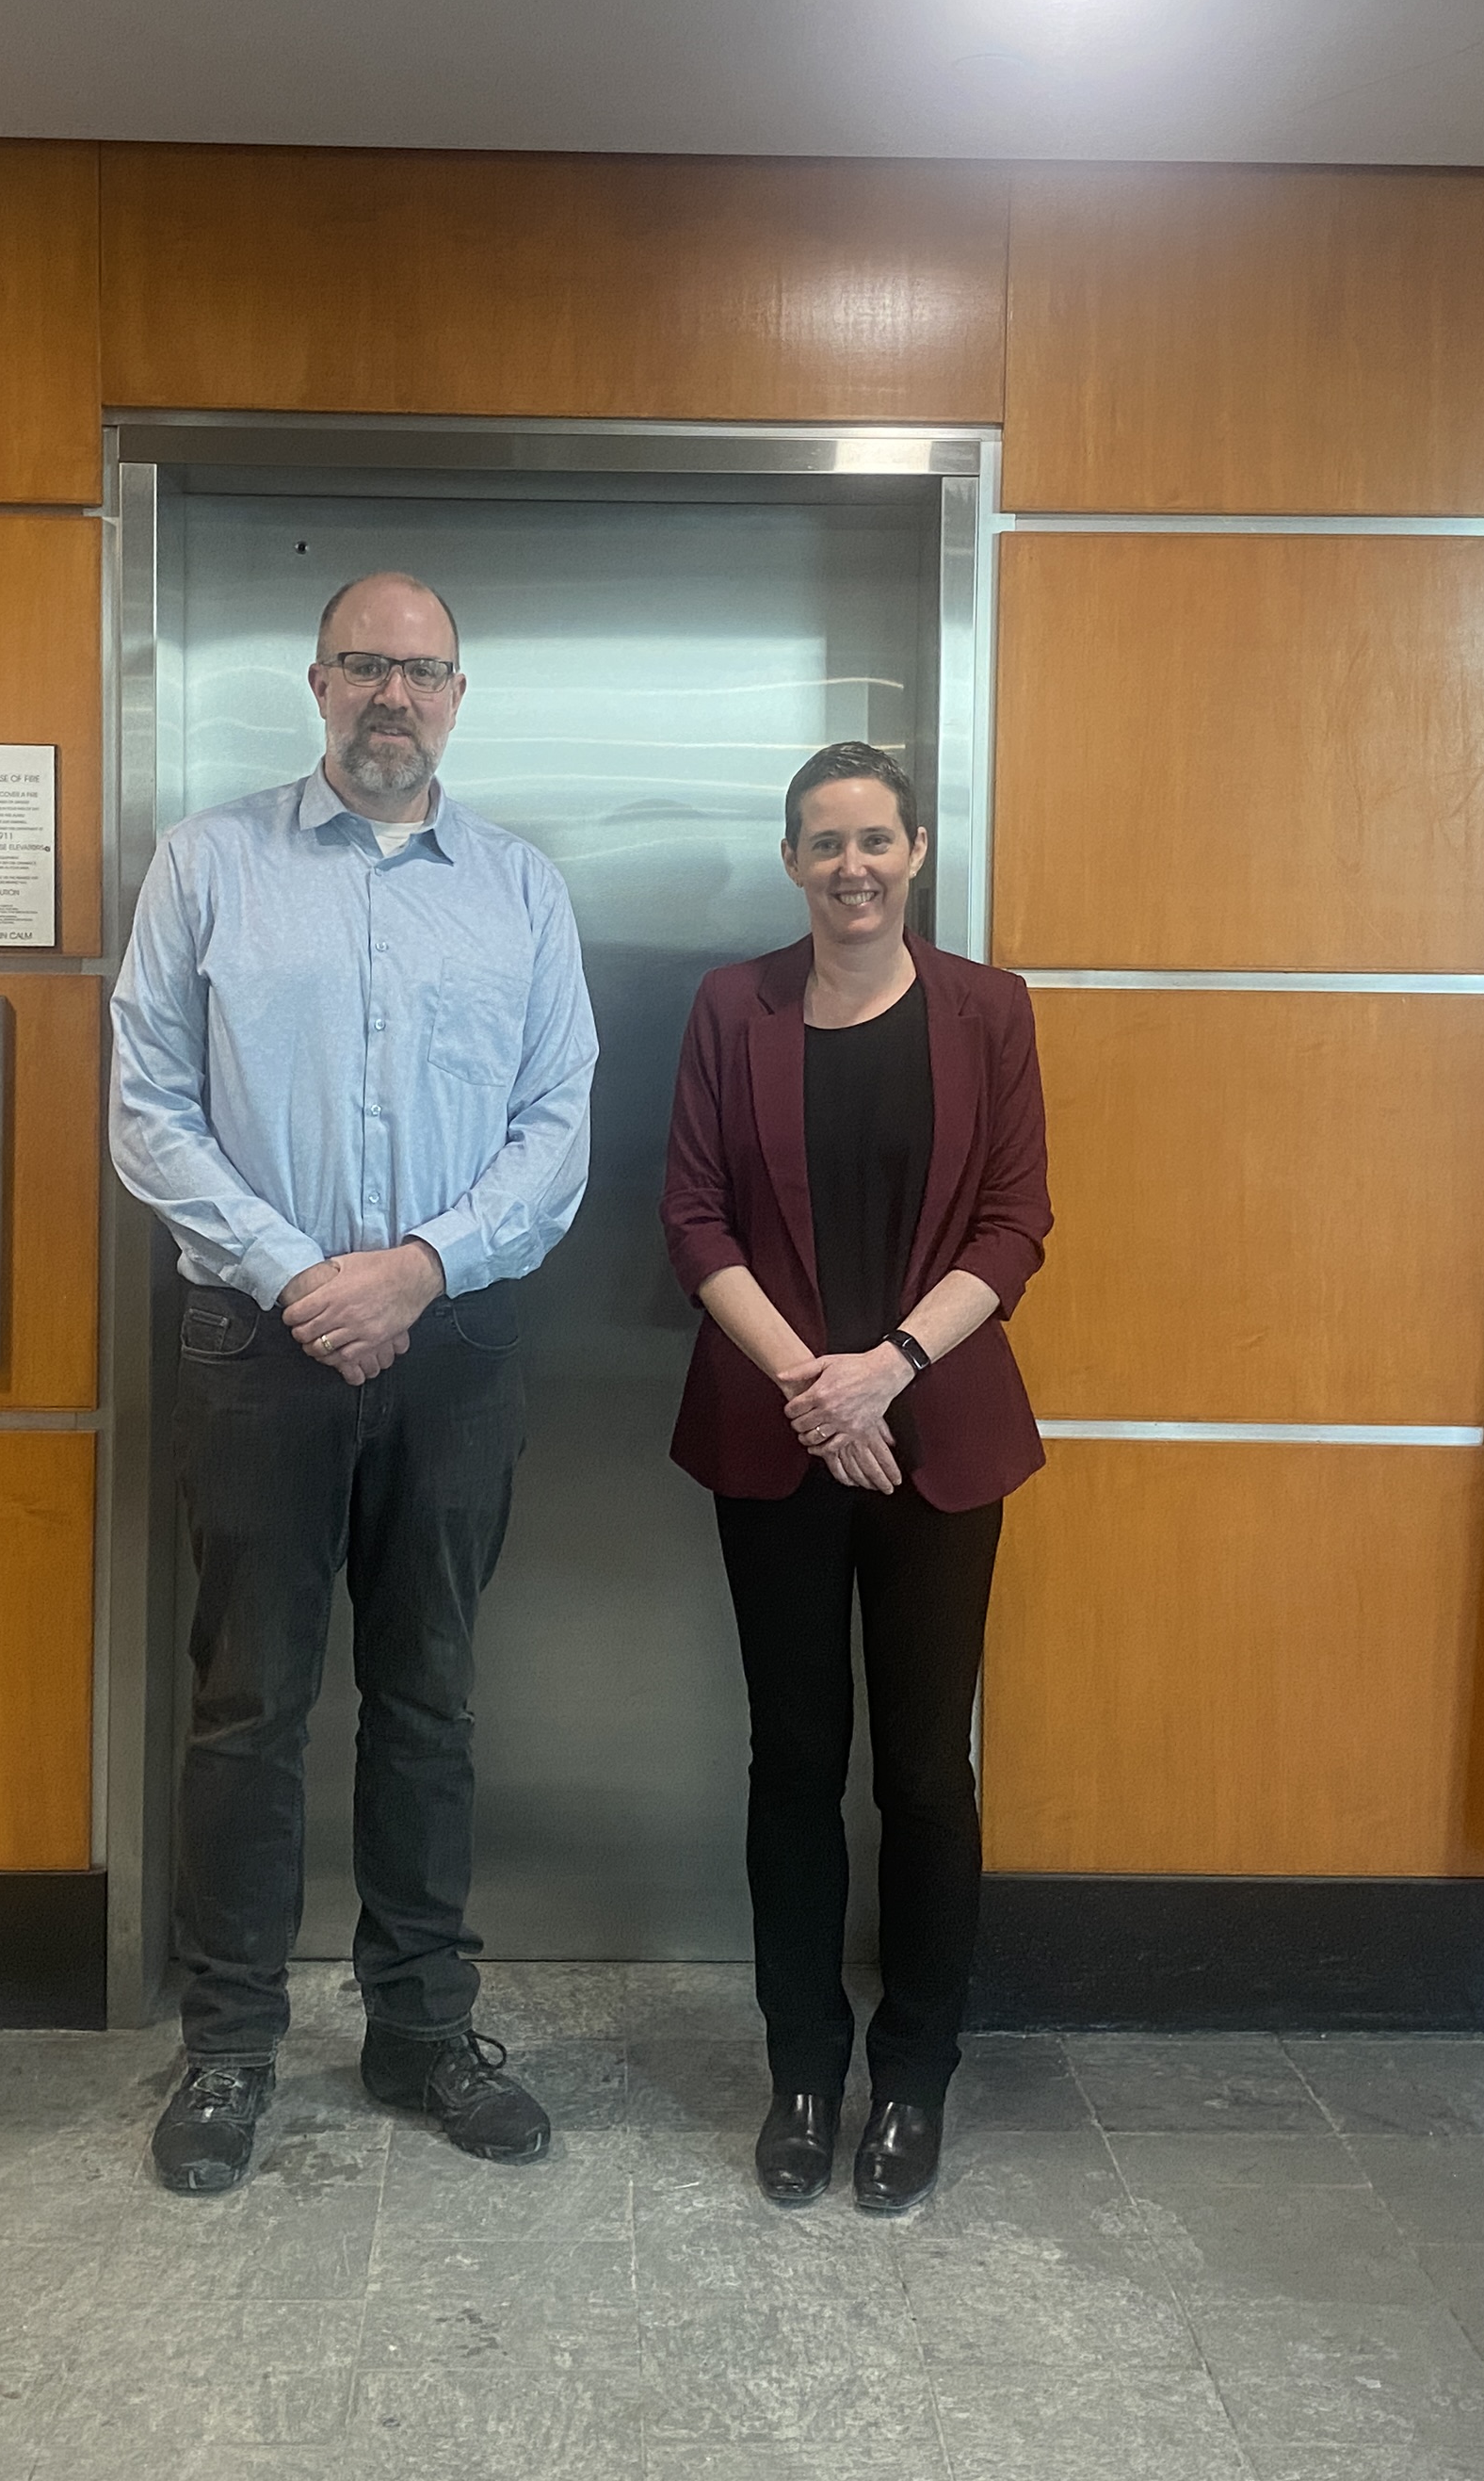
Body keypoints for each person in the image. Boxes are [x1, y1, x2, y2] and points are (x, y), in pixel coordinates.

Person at [110, 570, 600, 2197]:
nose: (395, 695)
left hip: (454, 1347)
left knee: (432, 1698)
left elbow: (557, 1124)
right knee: (247, 1704)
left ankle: (420, 2029)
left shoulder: (520, 889)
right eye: (365, 665)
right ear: (315, 683)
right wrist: (300, 1276)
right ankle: (230, 2046)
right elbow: (149, 1105)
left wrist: (419, 1270)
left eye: (423, 671)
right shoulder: (208, 865)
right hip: (257, 1345)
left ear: (459, 696)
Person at [659, 739, 1051, 2215]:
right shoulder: (731, 1007)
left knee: (927, 1774)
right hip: (774, 1438)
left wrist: (885, 1369)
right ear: (791, 862)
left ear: (918, 851)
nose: (853, 867)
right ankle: (805, 2073)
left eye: (876, 839)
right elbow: (694, 1220)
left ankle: (916, 2075)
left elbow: (1015, 1222)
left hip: (939, 1435)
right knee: (794, 1764)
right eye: (824, 843)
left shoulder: (990, 1009)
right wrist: (813, 1395)